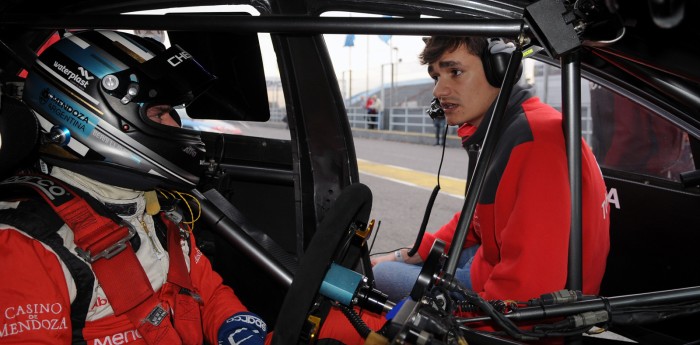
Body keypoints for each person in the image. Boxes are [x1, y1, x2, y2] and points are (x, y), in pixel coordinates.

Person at [0, 29, 384, 345]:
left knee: (353, 329)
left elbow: (207, 291)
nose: (176, 128)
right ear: (90, 116)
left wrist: (237, 328)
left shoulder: (157, 209)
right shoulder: (24, 244)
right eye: (160, 113)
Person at [371, 36, 610, 304]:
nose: (439, 91)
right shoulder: (511, 127)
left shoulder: (534, 140)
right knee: (393, 265)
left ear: (501, 69)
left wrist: (448, 320)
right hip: (492, 263)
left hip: (522, 306)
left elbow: (526, 295)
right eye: (436, 77)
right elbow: (477, 222)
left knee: (381, 276)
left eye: (455, 72)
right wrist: (408, 253)